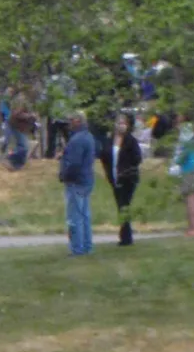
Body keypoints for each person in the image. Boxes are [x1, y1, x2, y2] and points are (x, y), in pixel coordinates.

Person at [59, 109, 96, 256]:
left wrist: (64, 175)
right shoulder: (89, 137)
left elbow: (74, 163)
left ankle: (77, 248)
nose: (69, 123)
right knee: (85, 215)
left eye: (71, 120)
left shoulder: (77, 140)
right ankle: (87, 245)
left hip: (76, 181)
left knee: (74, 217)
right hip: (87, 179)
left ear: (78, 121)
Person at [105, 112, 143, 246]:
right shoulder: (110, 140)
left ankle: (126, 237)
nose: (120, 125)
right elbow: (105, 156)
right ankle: (125, 234)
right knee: (120, 206)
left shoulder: (130, 140)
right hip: (114, 178)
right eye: (118, 122)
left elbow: (137, 158)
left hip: (128, 178)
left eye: (123, 123)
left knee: (124, 205)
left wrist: (126, 170)